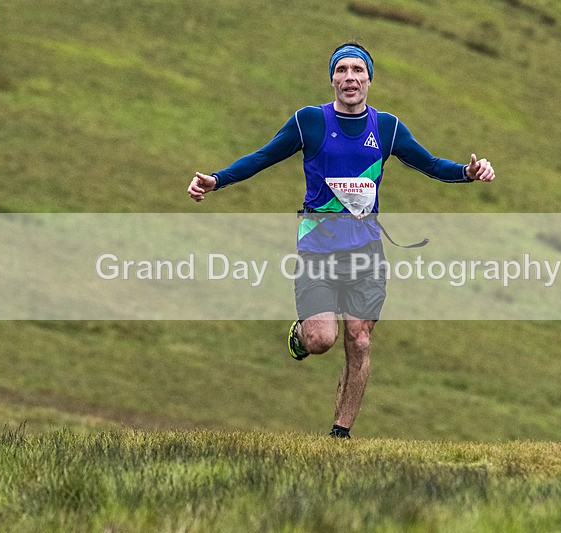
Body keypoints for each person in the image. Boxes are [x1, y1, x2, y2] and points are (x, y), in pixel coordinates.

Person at [188, 42, 495, 439]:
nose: (349, 78)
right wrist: (217, 180)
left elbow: (432, 165)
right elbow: (262, 157)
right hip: (317, 246)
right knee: (322, 339)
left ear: (369, 79)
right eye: (342, 70)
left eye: (358, 71)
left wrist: (467, 173)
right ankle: (299, 333)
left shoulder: (387, 128)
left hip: (366, 249)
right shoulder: (309, 122)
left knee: (359, 338)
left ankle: (339, 434)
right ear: (332, 77)